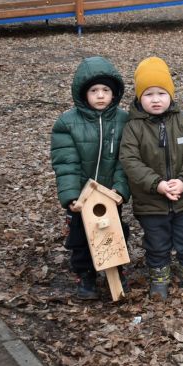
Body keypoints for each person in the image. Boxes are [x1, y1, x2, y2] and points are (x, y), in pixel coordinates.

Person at [119, 57, 183, 300]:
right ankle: (159, 280)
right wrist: (157, 184)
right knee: (157, 243)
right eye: (149, 94)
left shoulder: (181, 122)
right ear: (140, 97)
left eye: (161, 93)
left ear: (170, 95)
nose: (156, 99)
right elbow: (130, 161)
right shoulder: (133, 127)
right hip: (151, 202)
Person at [50, 56, 130, 300]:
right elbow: (66, 163)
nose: (100, 95)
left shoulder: (123, 120)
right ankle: (86, 275)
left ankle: (115, 268)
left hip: (108, 196)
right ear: (83, 93)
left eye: (106, 90)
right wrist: (71, 196)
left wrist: (120, 189)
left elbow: (124, 160)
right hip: (82, 197)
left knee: (115, 232)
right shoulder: (67, 123)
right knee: (80, 238)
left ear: (114, 93)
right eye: (94, 90)